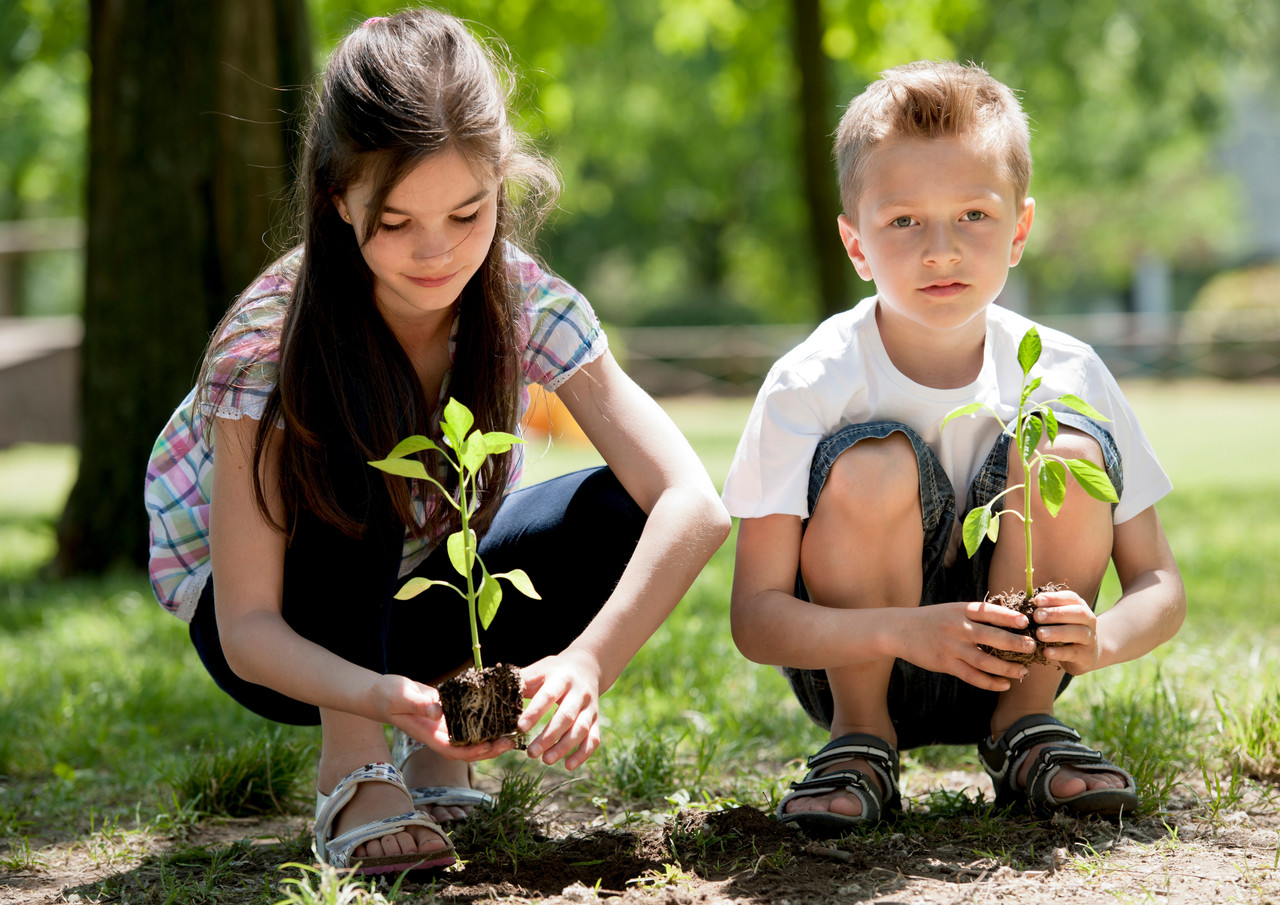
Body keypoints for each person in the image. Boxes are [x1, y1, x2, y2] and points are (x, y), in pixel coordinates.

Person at [144, 9, 729, 874]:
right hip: (282, 629)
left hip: (412, 588)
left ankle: (447, 743)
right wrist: (374, 697)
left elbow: (694, 503)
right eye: (395, 220)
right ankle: (356, 765)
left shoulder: (524, 299)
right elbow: (249, 628)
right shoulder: (267, 346)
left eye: (468, 211)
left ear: (502, 184)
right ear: (338, 198)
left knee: (619, 508)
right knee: (361, 440)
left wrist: (585, 663)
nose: (437, 252)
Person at [721, 61, 1184, 834]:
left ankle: (1024, 731)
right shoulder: (811, 378)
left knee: (1062, 453)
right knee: (872, 465)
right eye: (903, 221)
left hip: (1014, 668)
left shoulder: (1068, 369)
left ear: (1020, 230)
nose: (942, 249)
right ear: (855, 244)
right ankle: (861, 741)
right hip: (856, 660)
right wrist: (902, 631)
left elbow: (1160, 582)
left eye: (974, 213)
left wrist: (1099, 639)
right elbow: (756, 617)